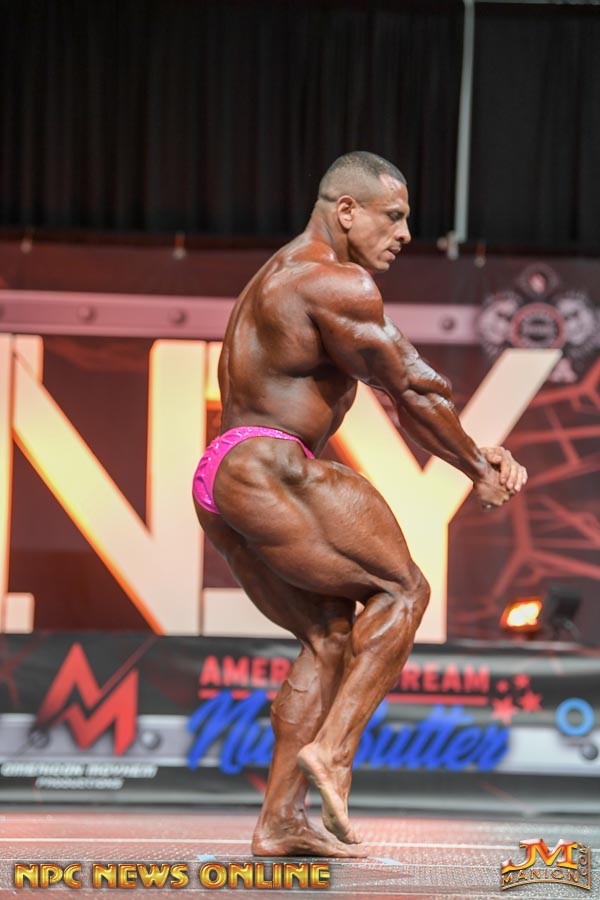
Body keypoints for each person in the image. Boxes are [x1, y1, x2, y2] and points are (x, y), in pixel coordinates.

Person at [192, 151, 527, 858]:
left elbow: (403, 392)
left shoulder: (281, 272)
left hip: (222, 476)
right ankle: (335, 753)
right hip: (269, 465)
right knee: (404, 590)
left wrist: (471, 450)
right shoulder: (335, 281)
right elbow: (413, 387)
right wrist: (476, 466)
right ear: (346, 211)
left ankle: (280, 821)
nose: (405, 234)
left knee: (328, 636)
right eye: (394, 216)